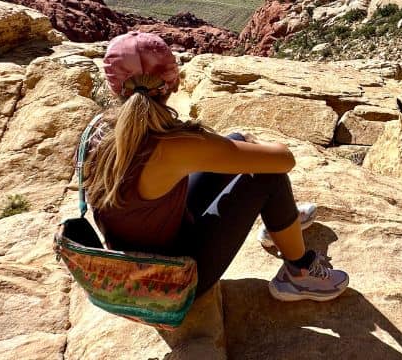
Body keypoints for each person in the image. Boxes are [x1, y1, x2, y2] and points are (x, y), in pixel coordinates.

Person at [82, 31, 349, 302]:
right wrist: (253, 146)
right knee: (269, 177)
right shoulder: (176, 144)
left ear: (115, 86)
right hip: (171, 280)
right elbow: (284, 159)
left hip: (133, 258)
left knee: (235, 141)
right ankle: (300, 272)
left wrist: (237, 145)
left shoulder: (96, 131)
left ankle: (280, 224)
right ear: (172, 83)